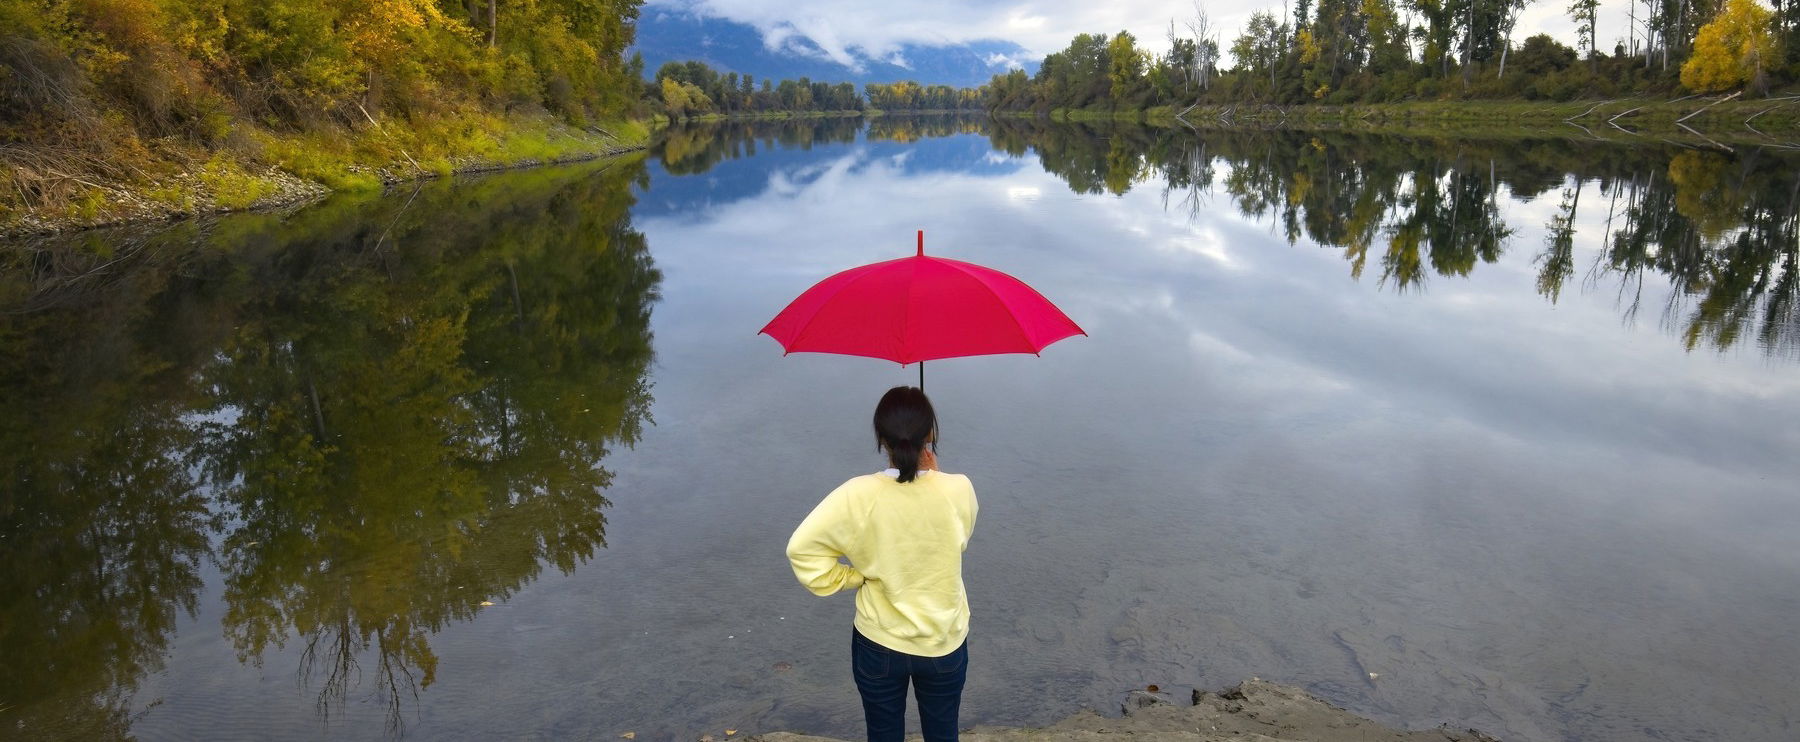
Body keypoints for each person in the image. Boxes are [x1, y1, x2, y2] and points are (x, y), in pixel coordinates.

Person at [786, 386, 979, 742]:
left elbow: (802, 550)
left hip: (879, 643)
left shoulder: (856, 494)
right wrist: (939, 478)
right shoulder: (959, 488)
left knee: (883, 734)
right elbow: (957, 540)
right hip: (943, 642)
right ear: (931, 435)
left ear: (881, 438)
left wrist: (855, 576)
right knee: (943, 734)